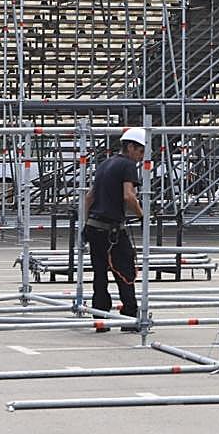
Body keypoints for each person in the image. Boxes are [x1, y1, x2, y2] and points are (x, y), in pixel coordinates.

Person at [83, 127, 145, 332]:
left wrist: (86, 223)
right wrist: (142, 215)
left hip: (94, 227)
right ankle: (129, 319)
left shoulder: (105, 163)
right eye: (140, 151)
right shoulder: (128, 165)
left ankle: (100, 318)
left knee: (100, 275)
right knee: (126, 272)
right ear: (130, 147)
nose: (141, 156)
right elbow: (129, 195)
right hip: (112, 230)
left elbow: (89, 197)